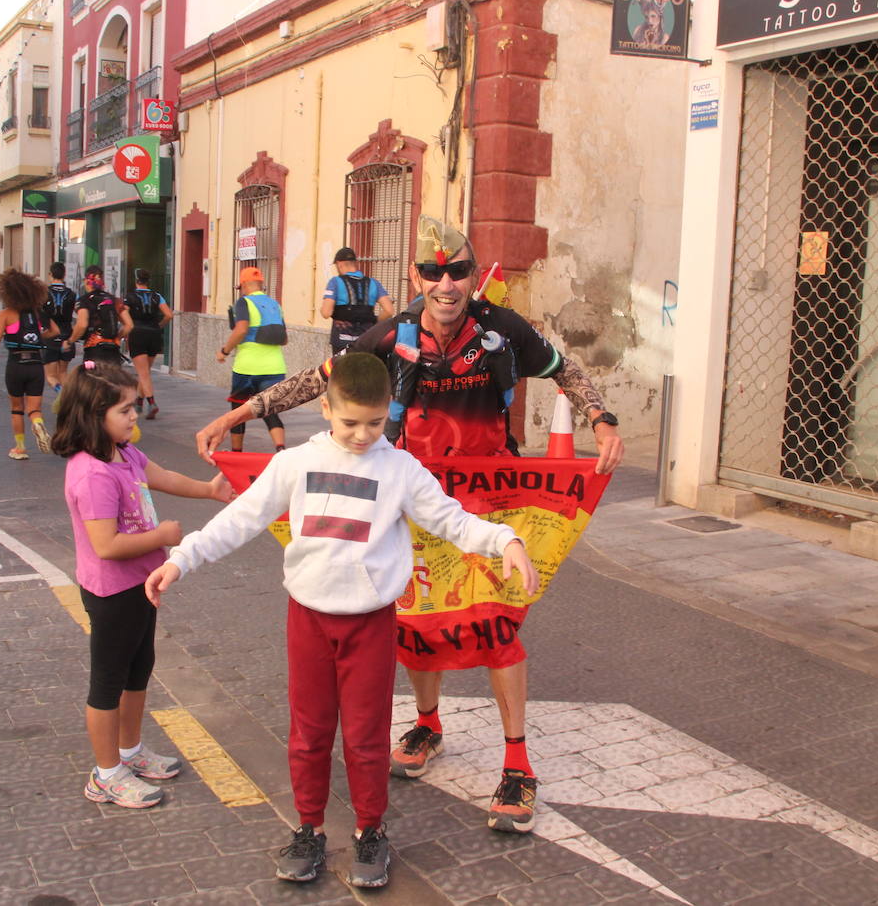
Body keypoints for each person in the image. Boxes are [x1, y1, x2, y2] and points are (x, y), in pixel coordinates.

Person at [195, 216, 623, 834]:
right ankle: (429, 723)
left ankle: (517, 762)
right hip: (410, 497)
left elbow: (564, 368)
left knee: (497, 626)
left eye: (457, 272)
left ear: (473, 277)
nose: (446, 284)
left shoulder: (503, 329)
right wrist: (239, 412)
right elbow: (322, 380)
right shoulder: (391, 333)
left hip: (487, 500)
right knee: (418, 619)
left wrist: (601, 417)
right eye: (432, 273)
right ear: (418, 278)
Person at [149, 351, 539, 887]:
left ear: (389, 414)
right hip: (307, 619)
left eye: (375, 423)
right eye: (350, 422)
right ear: (326, 410)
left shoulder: (400, 469)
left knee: (366, 735)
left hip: (372, 623)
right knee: (308, 734)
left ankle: (370, 831)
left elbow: (451, 519)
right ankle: (308, 828)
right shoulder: (295, 463)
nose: (362, 435)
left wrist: (506, 540)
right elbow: (242, 517)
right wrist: (182, 558)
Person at [52, 361, 232, 810]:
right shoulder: (92, 473)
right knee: (108, 681)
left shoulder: (124, 453)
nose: (134, 417)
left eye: (134, 408)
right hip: (111, 591)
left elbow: (162, 477)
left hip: (141, 585)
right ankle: (106, 773)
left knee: (139, 669)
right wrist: (165, 537)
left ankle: (129, 752)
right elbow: (106, 545)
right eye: (125, 410)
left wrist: (209, 491)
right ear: (93, 415)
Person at [0, 269, 59, 460]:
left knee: (17, 408)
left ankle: (20, 448)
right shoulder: (36, 313)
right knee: (34, 409)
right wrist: (39, 336)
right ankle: (38, 423)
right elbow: (55, 331)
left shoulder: (6, 314)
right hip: (35, 364)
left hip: (16, 364)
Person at [219, 266, 287, 452]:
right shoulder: (275, 305)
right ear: (261, 283)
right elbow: (285, 339)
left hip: (247, 368)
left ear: (243, 284)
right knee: (270, 410)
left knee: (238, 412)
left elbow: (240, 329)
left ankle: (236, 455)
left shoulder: (244, 303)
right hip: (274, 368)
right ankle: (281, 451)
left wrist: (224, 351)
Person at [321, 247, 394, 355]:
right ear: (355, 263)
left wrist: (323, 309)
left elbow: (326, 313)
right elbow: (389, 311)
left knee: (341, 371)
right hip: (365, 340)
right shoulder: (373, 283)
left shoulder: (335, 282)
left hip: (341, 342)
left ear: (339, 264)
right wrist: (374, 320)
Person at [127, 268, 173, 419]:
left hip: (137, 333)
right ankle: (139, 403)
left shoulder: (130, 296)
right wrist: (159, 325)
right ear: (148, 281)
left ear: (136, 281)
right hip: (154, 334)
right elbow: (169, 314)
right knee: (145, 371)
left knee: (143, 372)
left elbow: (124, 313)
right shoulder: (157, 296)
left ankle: (152, 402)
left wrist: (126, 328)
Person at [69, 266, 132, 365]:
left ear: (86, 281)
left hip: (94, 348)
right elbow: (129, 325)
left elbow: (82, 324)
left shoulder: (84, 300)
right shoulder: (114, 300)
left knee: (93, 379)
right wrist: (117, 338)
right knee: (112, 380)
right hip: (113, 350)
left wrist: (70, 341)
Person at [43, 262, 77, 392]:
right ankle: (70, 399)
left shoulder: (44, 293)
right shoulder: (72, 294)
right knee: (63, 372)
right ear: (64, 275)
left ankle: (62, 395)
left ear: (50, 275)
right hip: (67, 335)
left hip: (50, 336)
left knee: (51, 376)